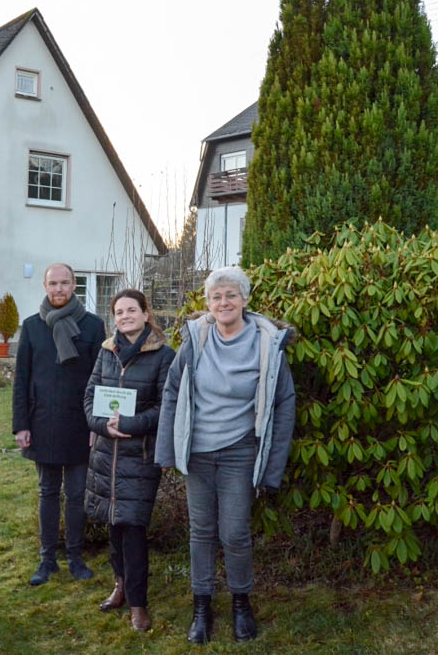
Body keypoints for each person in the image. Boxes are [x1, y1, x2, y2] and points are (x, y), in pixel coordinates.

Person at [155, 266, 296, 644]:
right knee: (201, 532)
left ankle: (240, 603)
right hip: (198, 452)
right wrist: (168, 449)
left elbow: (283, 404)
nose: (223, 302)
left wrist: (272, 467)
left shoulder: (267, 342)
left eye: (231, 295)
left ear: (245, 300)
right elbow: (172, 391)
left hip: (239, 451)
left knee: (234, 533)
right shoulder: (196, 340)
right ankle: (201, 606)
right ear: (208, 303)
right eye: (216, 296)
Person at [83, 289, 175, 632]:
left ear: (145, 313)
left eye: (131, 310)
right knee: (113, 526)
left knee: (133, 530)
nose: (125, 316)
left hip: (140, 456)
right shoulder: (107, 352)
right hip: (107, 453)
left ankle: (138, 603)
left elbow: (165, 406)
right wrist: (100, 424)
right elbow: (90, 395)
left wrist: (131, 425)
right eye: (119, 312)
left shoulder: (164, 355)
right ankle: (119, 585)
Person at [13, 262, 104, 585]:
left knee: (77, 494)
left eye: (65, 283)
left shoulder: (93, 326)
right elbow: (21, 380)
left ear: (74, 285)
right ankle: (47, 559)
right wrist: (21, 425)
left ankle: (76, 558)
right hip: (43, 423)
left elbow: (101, 379)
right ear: (44, 286)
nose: (59, 289)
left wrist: (98, 424)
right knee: (47, 491)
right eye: (53, 283)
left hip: (81, 424)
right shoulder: (33, 326)